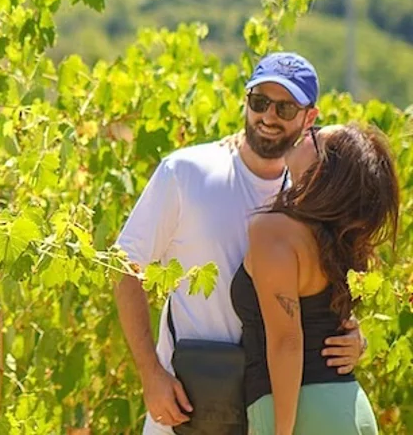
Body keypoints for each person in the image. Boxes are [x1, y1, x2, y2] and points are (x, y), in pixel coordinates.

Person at [113, 52, 366, 434]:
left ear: (309, 118)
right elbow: (123, 266)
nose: (268, 116)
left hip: (269, 413)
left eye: (284, 108)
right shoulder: (187, 172)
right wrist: (151, 374)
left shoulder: (310, 199)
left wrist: (354, 337)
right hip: (185, 408)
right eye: (260, 102)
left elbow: (323, 289)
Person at [233, 121, 399, 435]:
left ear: (321, 168)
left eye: (315, 134)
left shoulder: (273, 231)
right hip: (349, 407)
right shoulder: (337, 241)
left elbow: (287, 342)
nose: (305, 132)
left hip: (297, 413)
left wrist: (281, 431)